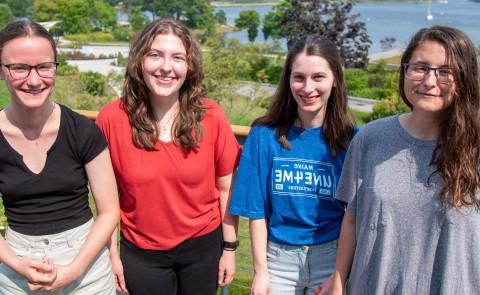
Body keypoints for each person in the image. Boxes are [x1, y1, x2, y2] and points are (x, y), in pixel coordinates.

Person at [321, 26, 480, 295]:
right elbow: (352, 220)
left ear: (464, 79)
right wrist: (337, 282)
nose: (429, 81)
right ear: (405, 71)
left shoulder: (475, 147)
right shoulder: (370, 138)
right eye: (420, 67)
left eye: (445, 72)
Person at [96, 18, 240, 295]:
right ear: (139, 61)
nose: (166, 67)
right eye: (155, 55)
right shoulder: (111, 119)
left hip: (204, 249)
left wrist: (230, 249)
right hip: (141, 254)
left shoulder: (212, 116)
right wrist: (111, 255)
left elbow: (226, 189)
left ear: (189, 66)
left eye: (177, 57)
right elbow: (107, 201)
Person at [229, 35, 357, 295]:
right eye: (299, 77)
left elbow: (353, 217)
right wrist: (260, 271)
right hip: (277, 262)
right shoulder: (263, 136)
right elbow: (256, 212)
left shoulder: (353, 140)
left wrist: (339, 276)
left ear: (335, 81)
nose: (307, 88)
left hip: (332, 260)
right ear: (288, 81)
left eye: (318, 77)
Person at [0, 20, 119, 294]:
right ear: (2, 71)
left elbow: (110, 210)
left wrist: (74, 270)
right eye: (19, 67)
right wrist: (16, 265)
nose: (33, 79)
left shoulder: (83, 131)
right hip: (17, 262)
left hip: (86, 265)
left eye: (44, 67)